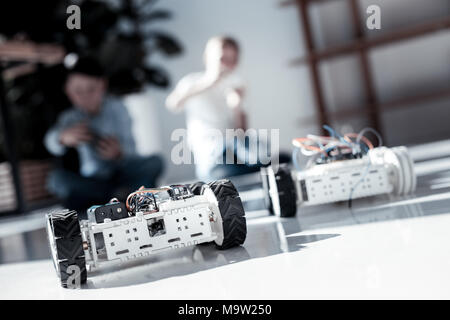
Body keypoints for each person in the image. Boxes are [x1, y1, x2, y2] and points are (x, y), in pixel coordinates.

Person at [44, 57, 163, 211]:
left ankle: (113, 198)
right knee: (56, 179)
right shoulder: (70, 118)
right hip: (94, 181)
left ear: (102, 85)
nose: (85, 96)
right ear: (68, 91)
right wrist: (62, 137)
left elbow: (131, 151)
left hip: (123, 174)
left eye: (91, 89)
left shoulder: (117, 108)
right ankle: (119, 197)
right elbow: (50, 142)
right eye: (78, 91)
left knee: (155, 162)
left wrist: (118, 153)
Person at [166, 36, 264, 181]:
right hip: (212, 157)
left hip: (236, 153)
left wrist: (237, 108)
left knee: (278, 160)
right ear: (208, 57)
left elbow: (243, 133)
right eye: (222, 59)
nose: (227, 65)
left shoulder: (237, 84)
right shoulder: (192, 81)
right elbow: (173, 104)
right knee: (228, 169)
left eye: (232, 60)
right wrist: (209, 83)